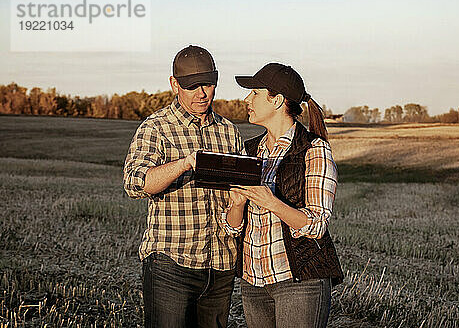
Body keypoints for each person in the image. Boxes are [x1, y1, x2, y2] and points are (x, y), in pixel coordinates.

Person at [123, 45, 244, 328]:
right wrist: (186, 163)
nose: (202, 93)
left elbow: (235, 197)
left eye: (208, 84)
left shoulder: (229, 132)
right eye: (192, 86)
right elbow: (134, 183)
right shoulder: (156, 128)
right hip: (171, 265)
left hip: (220, 266)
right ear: (174, 84)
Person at [219, 63, 344, 328]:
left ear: (276, 100)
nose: (246, 99)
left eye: (254, 93)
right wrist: (237, 205)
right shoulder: (249, 150)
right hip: (253, 281)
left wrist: (271, 202)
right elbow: (231, 226)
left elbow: (317, 224)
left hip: (299, 281)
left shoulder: (313, 150)